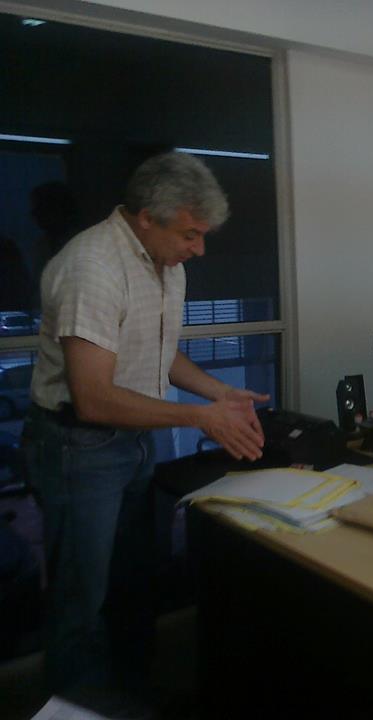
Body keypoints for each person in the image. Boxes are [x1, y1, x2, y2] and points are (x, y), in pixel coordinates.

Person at [21, 152, 270, 708]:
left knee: (133, 580)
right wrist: (200, 417)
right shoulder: (93, 267)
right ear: (145, 217)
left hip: (132, 439)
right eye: (190, 234)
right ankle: (76, 708)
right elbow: (93, 397)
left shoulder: (165, 262)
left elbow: (158, 352)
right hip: (77, 445)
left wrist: (218, 393)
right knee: (80, 598)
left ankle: (131, 697)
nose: (199, 249)